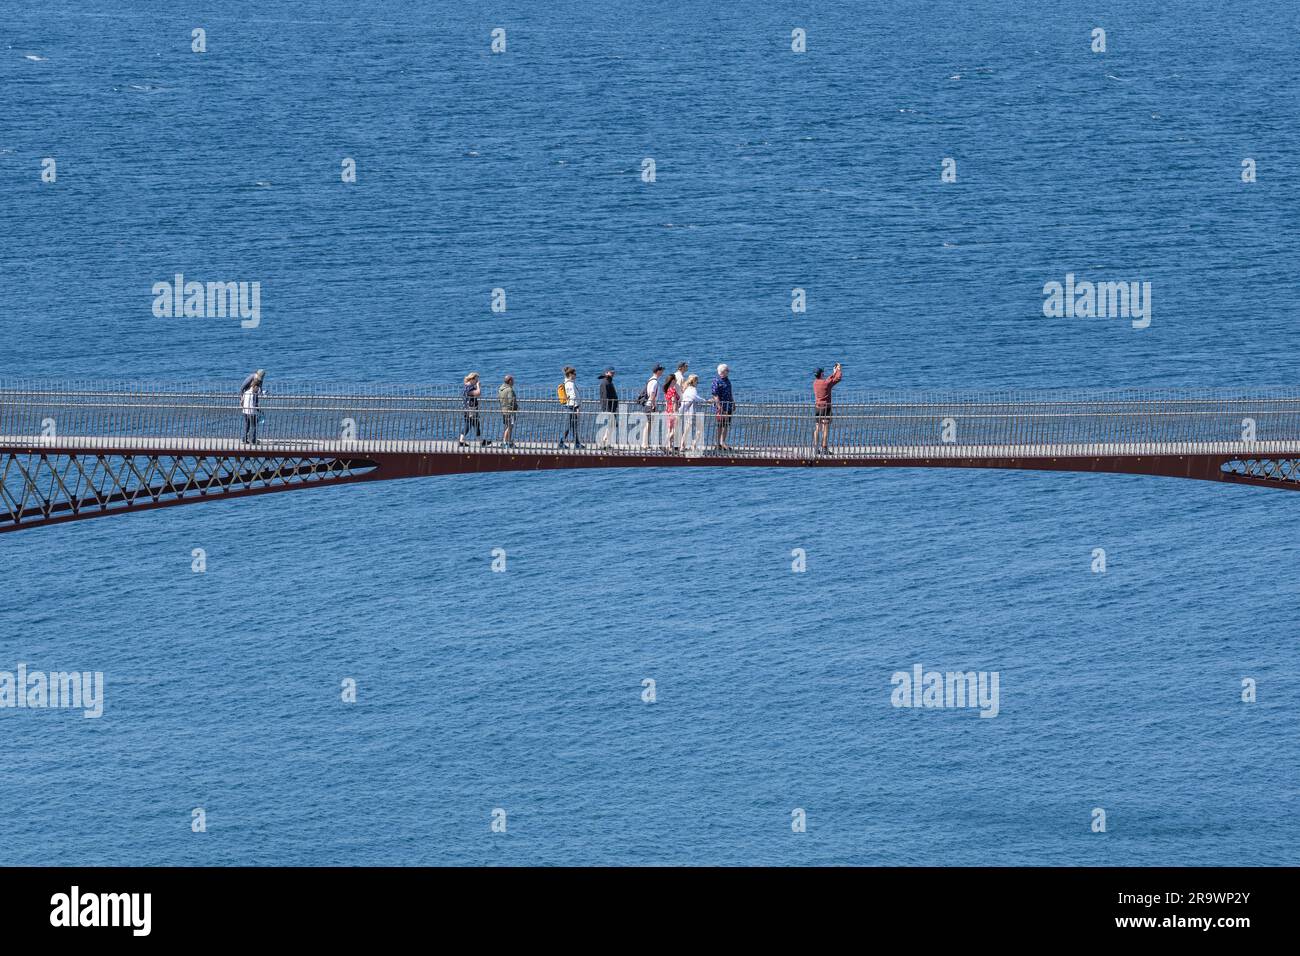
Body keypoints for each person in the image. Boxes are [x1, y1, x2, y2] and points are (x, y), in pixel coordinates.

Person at [812, 362, 842, 454]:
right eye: (823, 373)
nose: (824, 374)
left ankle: (815, 448)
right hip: (826, 408)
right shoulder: (826, 383)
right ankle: (824, 448)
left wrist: (834, 372)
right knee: (825, 428)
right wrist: (838, 370)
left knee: (817, 428)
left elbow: (829, 380)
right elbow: (837, 379)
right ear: (821, 374)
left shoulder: (815, 383)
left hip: (817, 407)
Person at [458, 372, 487, 447]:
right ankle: (461, 441)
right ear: (472, 379)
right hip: (471, 409)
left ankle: (481, 441)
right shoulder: (469, 387)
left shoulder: (467, 386)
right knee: (469, 424)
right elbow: (478, 393)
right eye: (477, 379)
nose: (477, 381)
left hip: (468, 408)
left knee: (475, 424)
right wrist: (478, 386)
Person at [711, 363, 734, 450]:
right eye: (727, 370)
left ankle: (723, 442)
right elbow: (715, 395)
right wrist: (719, 406)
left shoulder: (727, 380)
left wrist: (733, 402)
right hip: (720, 407)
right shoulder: (716, 381)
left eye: (728, 370)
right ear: (722, 372)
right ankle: (717, 443)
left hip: (728, 406)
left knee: (726, 425)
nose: (728, 372)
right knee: (720, 425)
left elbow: (730, 392)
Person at [239, 369, 265, 444]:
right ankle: (253, 440)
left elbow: (258, 393)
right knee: (253, 425)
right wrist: (240, 399)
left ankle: (245, 439)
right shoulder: (251, 378)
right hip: (251, 409)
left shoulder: (248, 391)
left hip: (245, 408)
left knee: (247, 424)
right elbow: (242, 388)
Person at [560, 366, 582, 448]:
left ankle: (577, 443)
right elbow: (573, 397)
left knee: (573, 426)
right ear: (570, 374)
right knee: (569, 426)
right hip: (571, 407)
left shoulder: (568, 383)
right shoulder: (570, 384)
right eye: (574, 373)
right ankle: (561, 443)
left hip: (570, 406)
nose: (575, 375)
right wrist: (577, 408)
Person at [679, 373, 701, 451]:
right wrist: (706, 401)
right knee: (699, 429)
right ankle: (694, 445)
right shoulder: (692, 389)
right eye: (697, 382)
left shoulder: (686, 389)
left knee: (687, 429)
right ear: (694, 381)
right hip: (692, 411)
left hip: (685, 411)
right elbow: (695, 398)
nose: (697, 384)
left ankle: (682, 445)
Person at [597, 369, 619, 448]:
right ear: (606, 373)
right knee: (611, 425)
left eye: (613, 372)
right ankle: (604, 442)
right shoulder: (605, 382)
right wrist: (607, 409)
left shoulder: (608, 381)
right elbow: (605, 397)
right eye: (611, 372)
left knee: (611, 425)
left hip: (612, 407)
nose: (613, 373)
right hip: (609, 407)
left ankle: (606, 441)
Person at [498, 374, 518, 448]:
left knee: (507, 426)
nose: (513, 382)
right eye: (513, 381)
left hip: (503, 410)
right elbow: (511, 401)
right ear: (510, 381)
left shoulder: (501, 389)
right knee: (509, 426)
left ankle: (508, 441)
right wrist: (516, 407)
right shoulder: (509, 389)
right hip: (510, 411)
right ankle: (505, 442)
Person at [662, 372, 680, 450]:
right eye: (675, 379)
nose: (676, 381)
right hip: (673, 411)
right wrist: (675, 412)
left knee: (670, 429)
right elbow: (674, 401)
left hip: (668, 411)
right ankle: (665, 443)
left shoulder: (666, 390)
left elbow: (666, 402)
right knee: (675, 429)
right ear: (672, 380)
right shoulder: (672, 390)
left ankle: (669, 446)